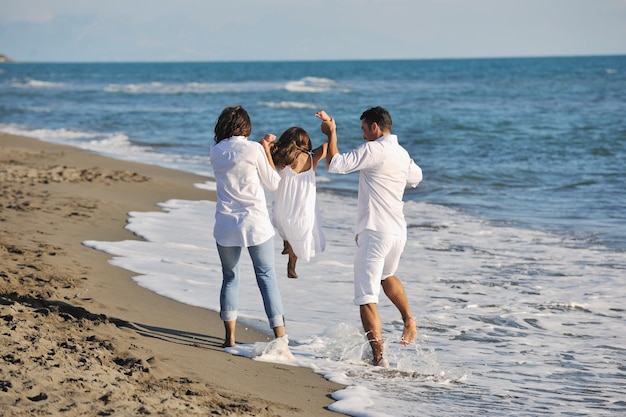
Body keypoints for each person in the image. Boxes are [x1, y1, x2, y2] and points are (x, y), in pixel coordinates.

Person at [316, 107, 423, 367]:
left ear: (375, 127)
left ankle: (379, 360)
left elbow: (335, 165)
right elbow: (416, 177)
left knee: (366, 297)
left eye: (364, 130)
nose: (363, 136)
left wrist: (332, 133)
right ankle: (408, 317)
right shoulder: (401, 152)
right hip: (398, 231)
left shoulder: (375, 150)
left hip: (375, 232)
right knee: (387, 276)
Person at [210, 105, 286, 348]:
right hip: (255, 223)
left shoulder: (215, 150)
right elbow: (273, 182)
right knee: (267, 278)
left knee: (230, 278)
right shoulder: (253, 148)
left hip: (226, 223)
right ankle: (281, 339)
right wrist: (266, 151)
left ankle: (229, 339)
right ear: (246, 126)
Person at [270, 126, 327, 278]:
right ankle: (291, 266)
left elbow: (268, 160)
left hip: (283, 207)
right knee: (297, 236)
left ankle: (286, 244)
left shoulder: (282, 159)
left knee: (285, 229)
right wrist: (331, 130)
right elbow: (327, 147)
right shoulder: (311, 157)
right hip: (303, 210)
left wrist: (268, 143)